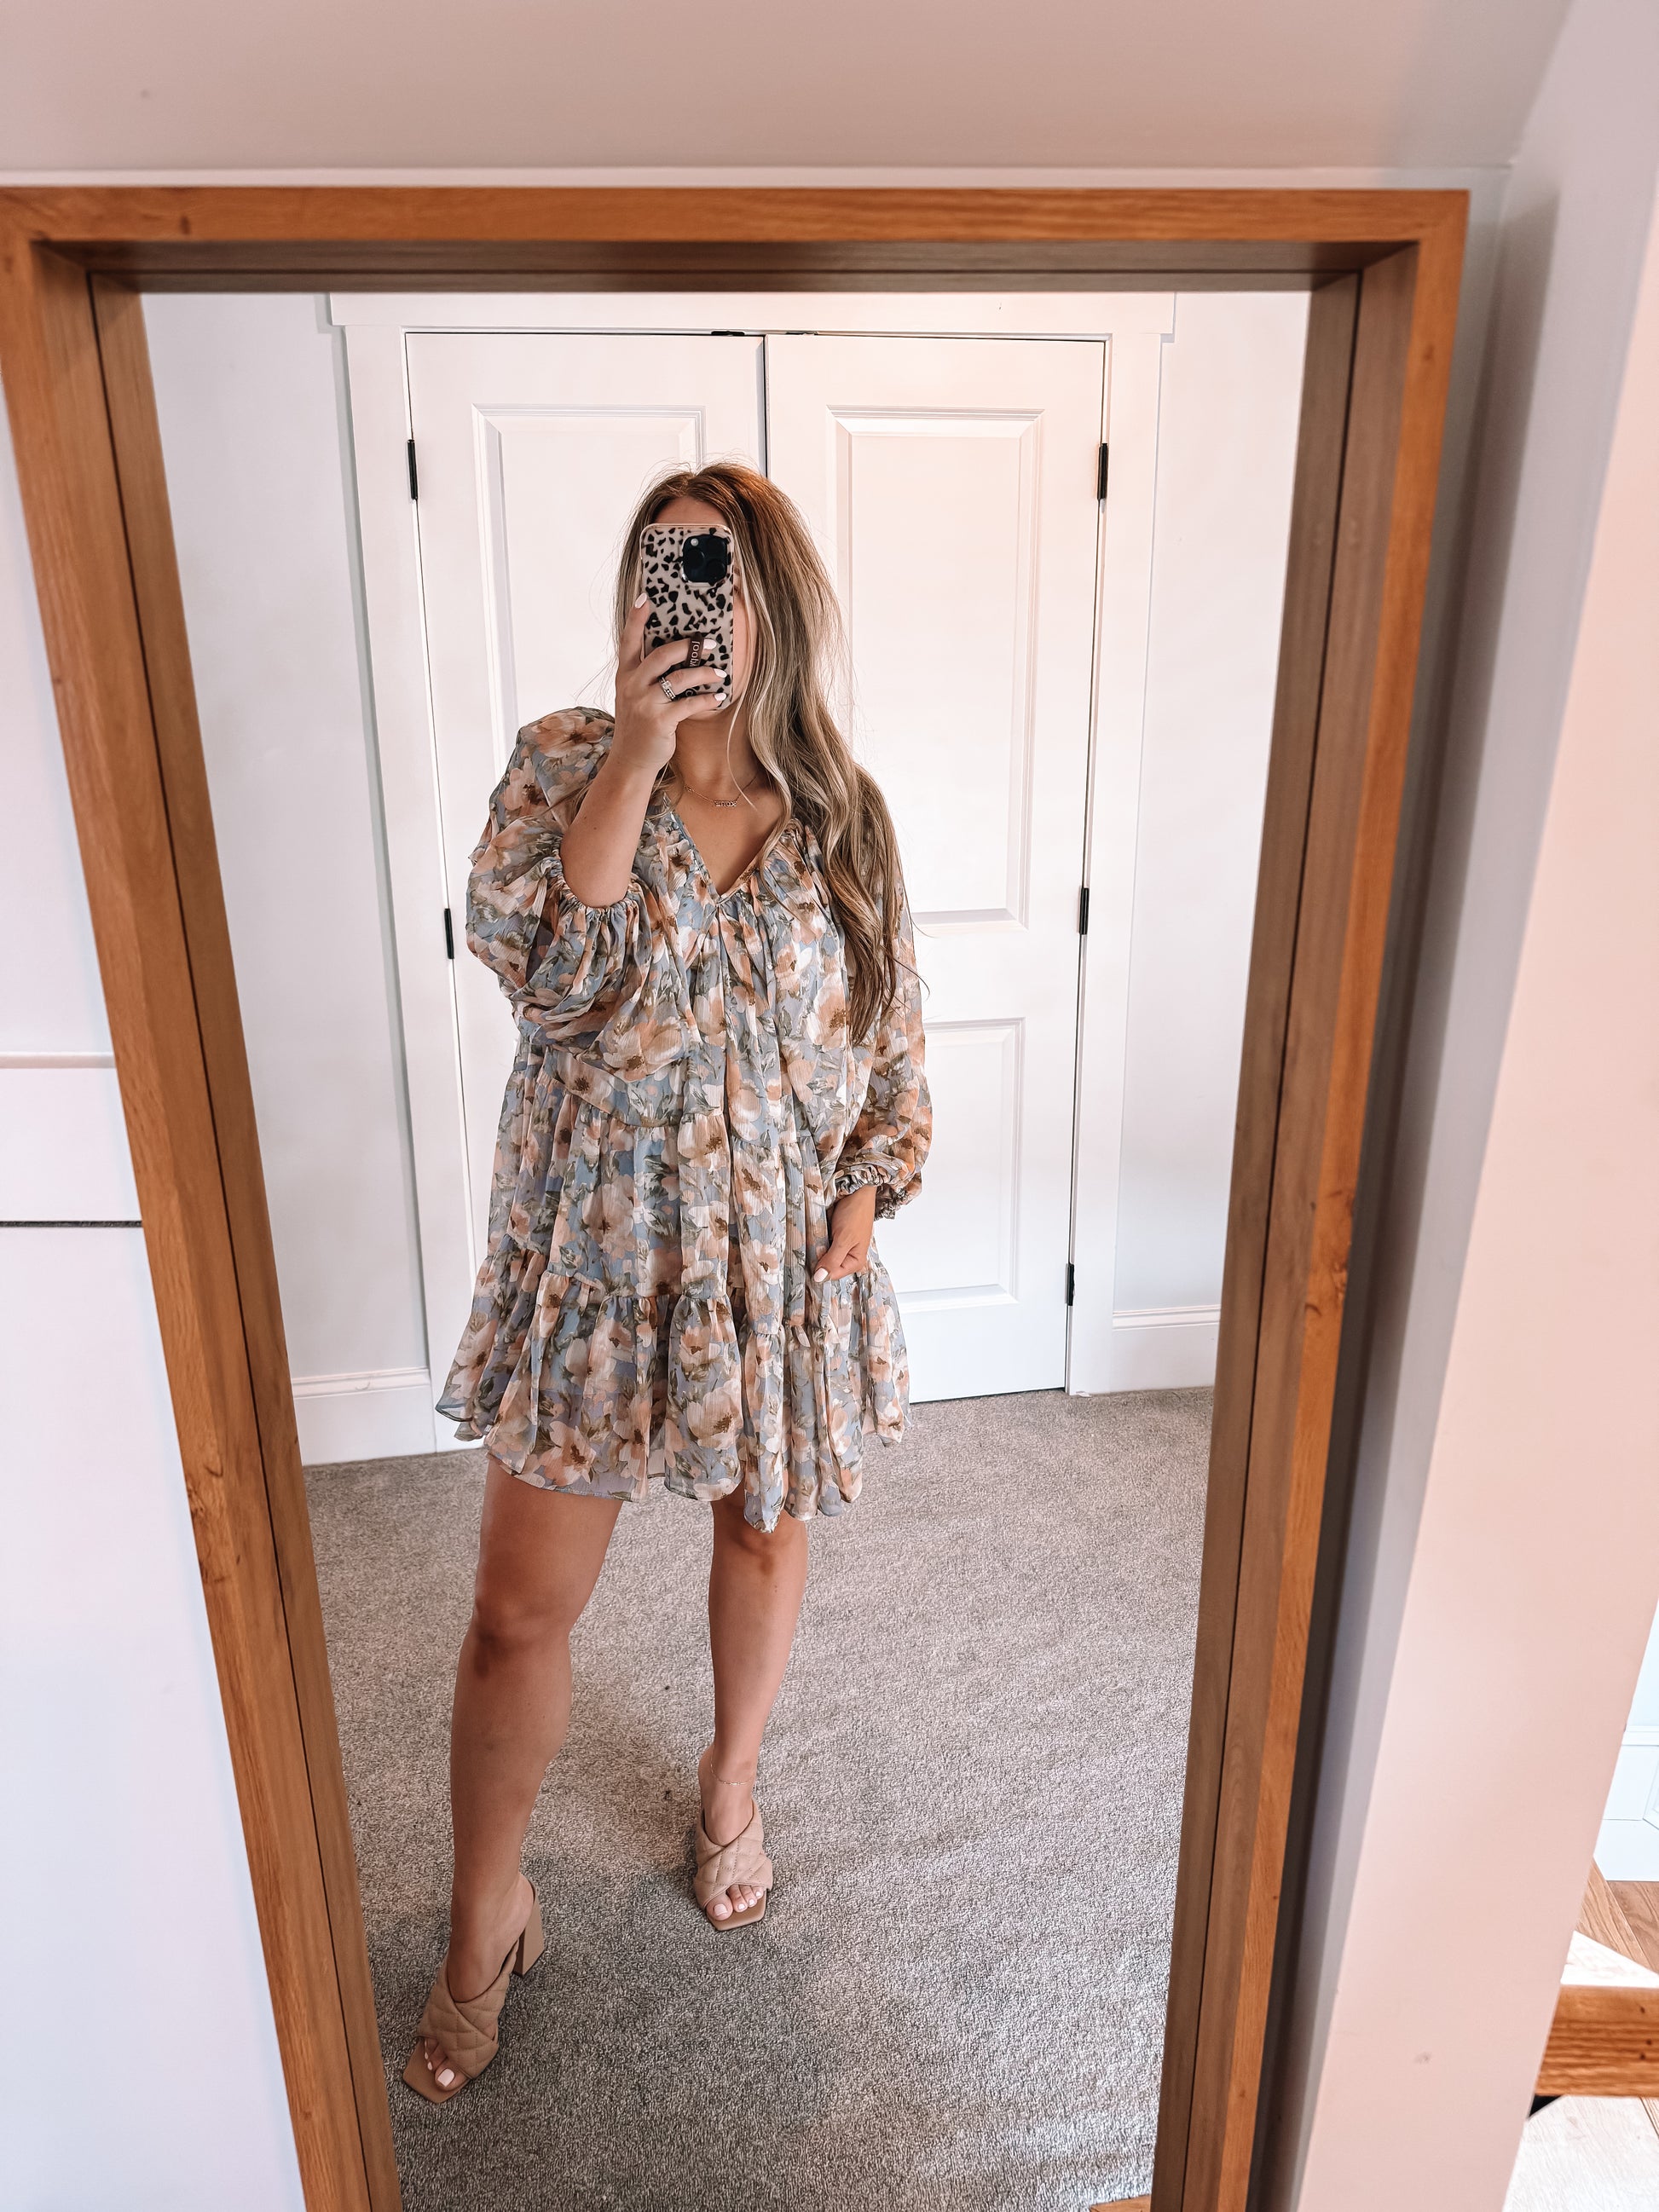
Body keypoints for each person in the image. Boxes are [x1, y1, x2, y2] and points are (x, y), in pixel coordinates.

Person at [405, 460, 931, 2103]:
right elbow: (547, 975)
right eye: (661, 571)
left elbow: (889, 1039)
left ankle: (729, 1785)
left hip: (774, 1273)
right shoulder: (566, 762)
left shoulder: (842, 819)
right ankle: (488, 1913)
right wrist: (637, 751)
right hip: (599, 1265)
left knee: (760, 1531)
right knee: (515, 1614)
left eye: (713, 576)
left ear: (773, 603)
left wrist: (864, 1191)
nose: (683, 604)